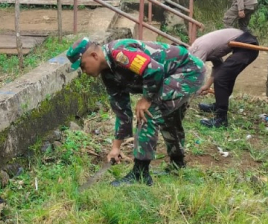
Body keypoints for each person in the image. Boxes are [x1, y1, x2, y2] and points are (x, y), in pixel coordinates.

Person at [66, 38, 206, 186]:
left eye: (82, 65)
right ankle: (178, 164)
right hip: (169, 76)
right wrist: (116, 147)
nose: (83, 71)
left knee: (149, 112)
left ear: (94, 56)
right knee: (167, 115)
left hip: (189, 71)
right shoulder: (108, 75)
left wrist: (146, 98)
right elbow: (122, 111)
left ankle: (140, 174)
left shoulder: (120, 53)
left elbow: (154, 69)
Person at [189, 28, 260, 128]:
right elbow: (218, 66)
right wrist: (206, 86)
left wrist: (192, 93)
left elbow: (195, 74)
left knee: (221, 79)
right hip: (243, 46)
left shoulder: (197, 50)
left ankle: (221, 119)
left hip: (247, 46)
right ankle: (218, 106)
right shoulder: (200, 47)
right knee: (225, 75)